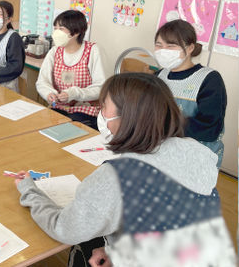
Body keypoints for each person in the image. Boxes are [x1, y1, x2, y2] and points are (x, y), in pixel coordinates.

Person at [14, 73, 235, 266]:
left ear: (128, 118)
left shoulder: (116, 177)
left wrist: (29, 191)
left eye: (103, 109)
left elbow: (64, 229)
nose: (101, 116)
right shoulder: (198, 153)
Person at [154, 19, 227, 167]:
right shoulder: (159, 76)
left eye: (171, 46)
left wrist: (165, 125)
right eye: (159, 45)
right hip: (163, 152)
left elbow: (211, 128)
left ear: (189, 48)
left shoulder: (209, 79)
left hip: (196, 159)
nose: (163, 50)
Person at [36, 10, 105, 130]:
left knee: (71, 129)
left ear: (76, 32)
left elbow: (101, 87)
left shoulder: (92, 51)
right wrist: (49, 93)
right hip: (59, 108)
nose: (56, 32)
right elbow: (42, 82)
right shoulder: (54, 51)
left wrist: (74, 93)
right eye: (55, 28)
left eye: (61, 28)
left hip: (85, 110)